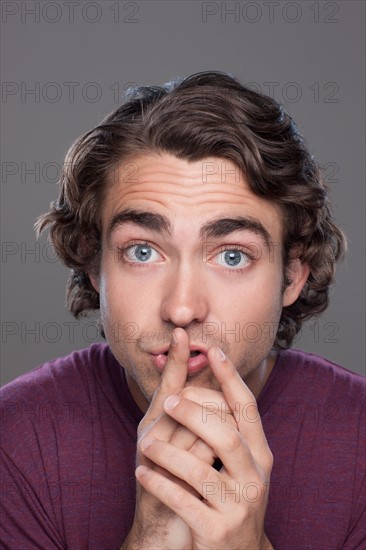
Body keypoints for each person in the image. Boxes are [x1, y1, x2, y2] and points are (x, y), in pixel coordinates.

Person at [1, 71, 365, 550]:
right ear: (94, 265)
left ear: (293, 275)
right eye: (143, 251)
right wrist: (148, 538)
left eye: (232, 256)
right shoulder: (16, 440)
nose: (182, 308)